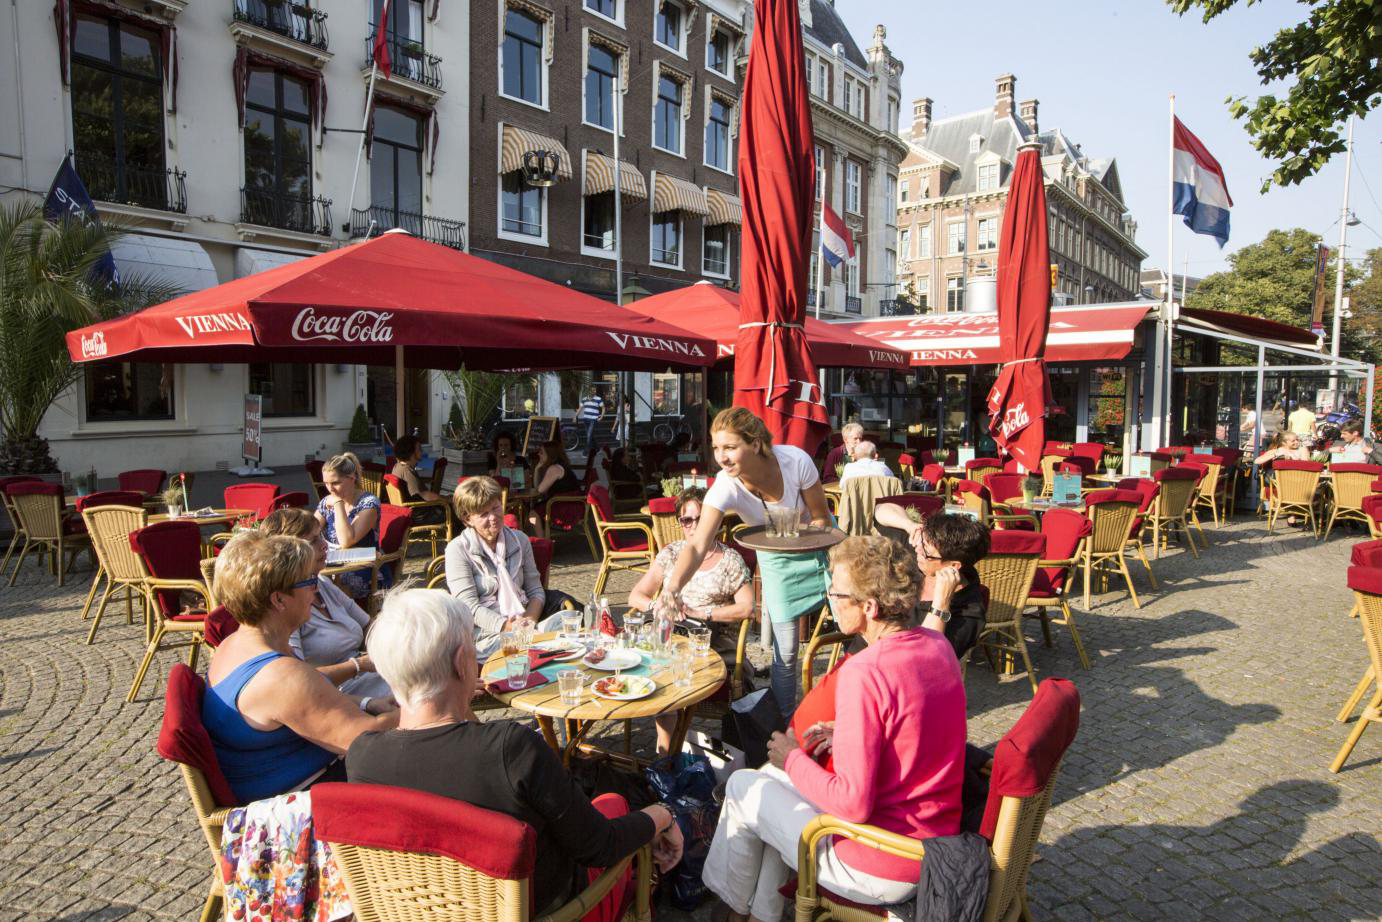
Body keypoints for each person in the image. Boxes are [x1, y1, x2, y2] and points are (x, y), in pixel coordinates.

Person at [346, 589, 684, 915]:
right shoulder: (510, 750)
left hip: (420, 908)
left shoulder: (362, 758)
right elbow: (599, 846)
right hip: (550, 908)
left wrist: (458, 698)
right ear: (464, 662)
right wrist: (662, 815)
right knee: (615, 803)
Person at [701, 536, 967, 922]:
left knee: (747, 787)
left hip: (882, 860)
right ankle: (758, 915)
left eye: (836, 592)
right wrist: (845, 732)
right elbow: (909, 721)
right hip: (933, 839)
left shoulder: (866, 671)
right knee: (772, 792)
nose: (829, 599)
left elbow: (852, 804)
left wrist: (792, 758)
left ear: (869, 607)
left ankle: (733, 909)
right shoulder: (935, 644)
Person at [203, 531, 398, 804]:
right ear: (279, 600)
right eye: (308, 581)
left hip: (286, 782)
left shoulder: (234, 644)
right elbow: (367, 744)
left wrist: (367, 702)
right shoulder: (282, 676)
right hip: (294, 808)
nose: (315, 589)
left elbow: (298, 706)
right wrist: (431, 703)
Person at [662, 408, 831, 717]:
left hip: (821, 547)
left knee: (850, 627)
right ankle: (782, 726)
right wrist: (672, 588)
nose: (721, 457)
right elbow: (698, 544)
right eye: (716, 448)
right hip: (776, 558)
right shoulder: (726, 486)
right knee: (787, 651)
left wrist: (805, 542)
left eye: (730, 447)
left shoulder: (795, 461)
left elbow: (820, 517)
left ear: (754, 443)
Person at [628, 487, 756, 751]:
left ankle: (666, 756)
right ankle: (667, 754)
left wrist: (703, 613)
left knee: (665, 670)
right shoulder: (671, 553)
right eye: (687, 519)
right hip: (671, 634)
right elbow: (636, 596)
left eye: (700, 518)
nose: (694, 525)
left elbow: (747, 609)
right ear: (680, 523)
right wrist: (659, 605)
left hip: (712, 642)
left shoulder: (729, 559)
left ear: (715, 521)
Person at [259, 508, 391, 698]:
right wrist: (357, 665)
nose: (324, 545)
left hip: (369, 675)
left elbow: (368, 625)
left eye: (321, 536)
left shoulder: (321, 583)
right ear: (289, 553)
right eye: (313, 541)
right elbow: (297, 679)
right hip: (338, 693)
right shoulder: (285, 604)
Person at [445, 476, 564, 658]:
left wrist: (528, 623)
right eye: (483, 514)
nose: (493, 517)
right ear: (467, 519)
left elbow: (535, 590)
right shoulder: (458, 550)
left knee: (570, 622)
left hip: (526, 623)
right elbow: (468, 607)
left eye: (495, 508)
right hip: (484, 634)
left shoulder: (520, 540)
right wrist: (510, 627)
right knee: (533, 648)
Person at [873, 505, 990, 660]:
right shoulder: (922, 558)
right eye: (922, 541)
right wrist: (911, 526)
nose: (917, 549)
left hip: (895, 673)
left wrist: (941, 604)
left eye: (925, 550)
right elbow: (881, 511)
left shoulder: (968, 612)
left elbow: (926, 656)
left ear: (954, 565)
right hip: (862, 656)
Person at [313, 452, 380, 602]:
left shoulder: (368, 503)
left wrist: (338, 505)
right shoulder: (327, 501)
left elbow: (346, 540)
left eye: (335, 483)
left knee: (326, 589)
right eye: (326, 483)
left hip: (363, 569)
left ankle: (346, 623)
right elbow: (309, 530)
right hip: (332, 565)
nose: (330, 489)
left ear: (352, 478)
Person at [389, 435, 448, 528]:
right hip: (419, 515)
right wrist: (447, 499)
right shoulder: (407, 471)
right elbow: (425, 495)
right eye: (419, 449)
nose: (422, 451)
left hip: (406, 512)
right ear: (411, 452)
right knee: (455, 511)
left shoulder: (397, 466)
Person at [529, 439, 582, 534]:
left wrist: (538, 468)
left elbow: (540, 490)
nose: (538, 454)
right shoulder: (560, 465)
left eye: (541, 452)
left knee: (533, 514)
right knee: (537, 509)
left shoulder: (555, 468)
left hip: (566, 506)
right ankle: (544, 539)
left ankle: (542, 543)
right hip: (570, 503)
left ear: (550, 454)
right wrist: (537, 468)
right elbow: (539, 488)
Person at [578, 387, 606, 461]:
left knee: (589, 436)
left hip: (593, 420)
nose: (595, 391)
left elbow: (603, 408)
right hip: (585, 420)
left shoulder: (598, 399)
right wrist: (575, 416)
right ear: (589, 391)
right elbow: (580, 408)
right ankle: (598, 449)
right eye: (593, 390)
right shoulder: (584, 399)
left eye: (595, 390)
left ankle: (585, 453)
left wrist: (601, 417)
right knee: (590, 436)